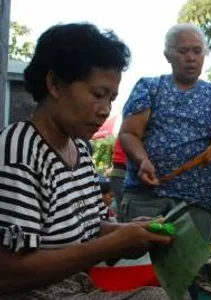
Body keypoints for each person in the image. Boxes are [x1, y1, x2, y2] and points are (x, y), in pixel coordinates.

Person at [0, 23, 172, 299]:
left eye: (112, 98)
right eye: (97, 95)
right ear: (55, 84)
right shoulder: (18, 151)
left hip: (80, 286)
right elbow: (7, 274)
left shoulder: (80, 149)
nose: (105, 110)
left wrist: (129, 233)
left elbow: (88, 230)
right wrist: (112, 244)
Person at [119, 24, 211, 241]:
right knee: (141, 266)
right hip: (147, 197)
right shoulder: (149, 87)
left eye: (197, 51)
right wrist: (142, 160)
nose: (191, 57)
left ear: (204, 55)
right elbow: (129, 133)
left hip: (197, 204)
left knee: (192, 269)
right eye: (182, 51)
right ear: (168, 55)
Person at [109, 138, 127, 221]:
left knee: (122, 208)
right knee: (124, 209)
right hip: (121, 172)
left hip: (119, 174)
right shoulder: (129, 132)